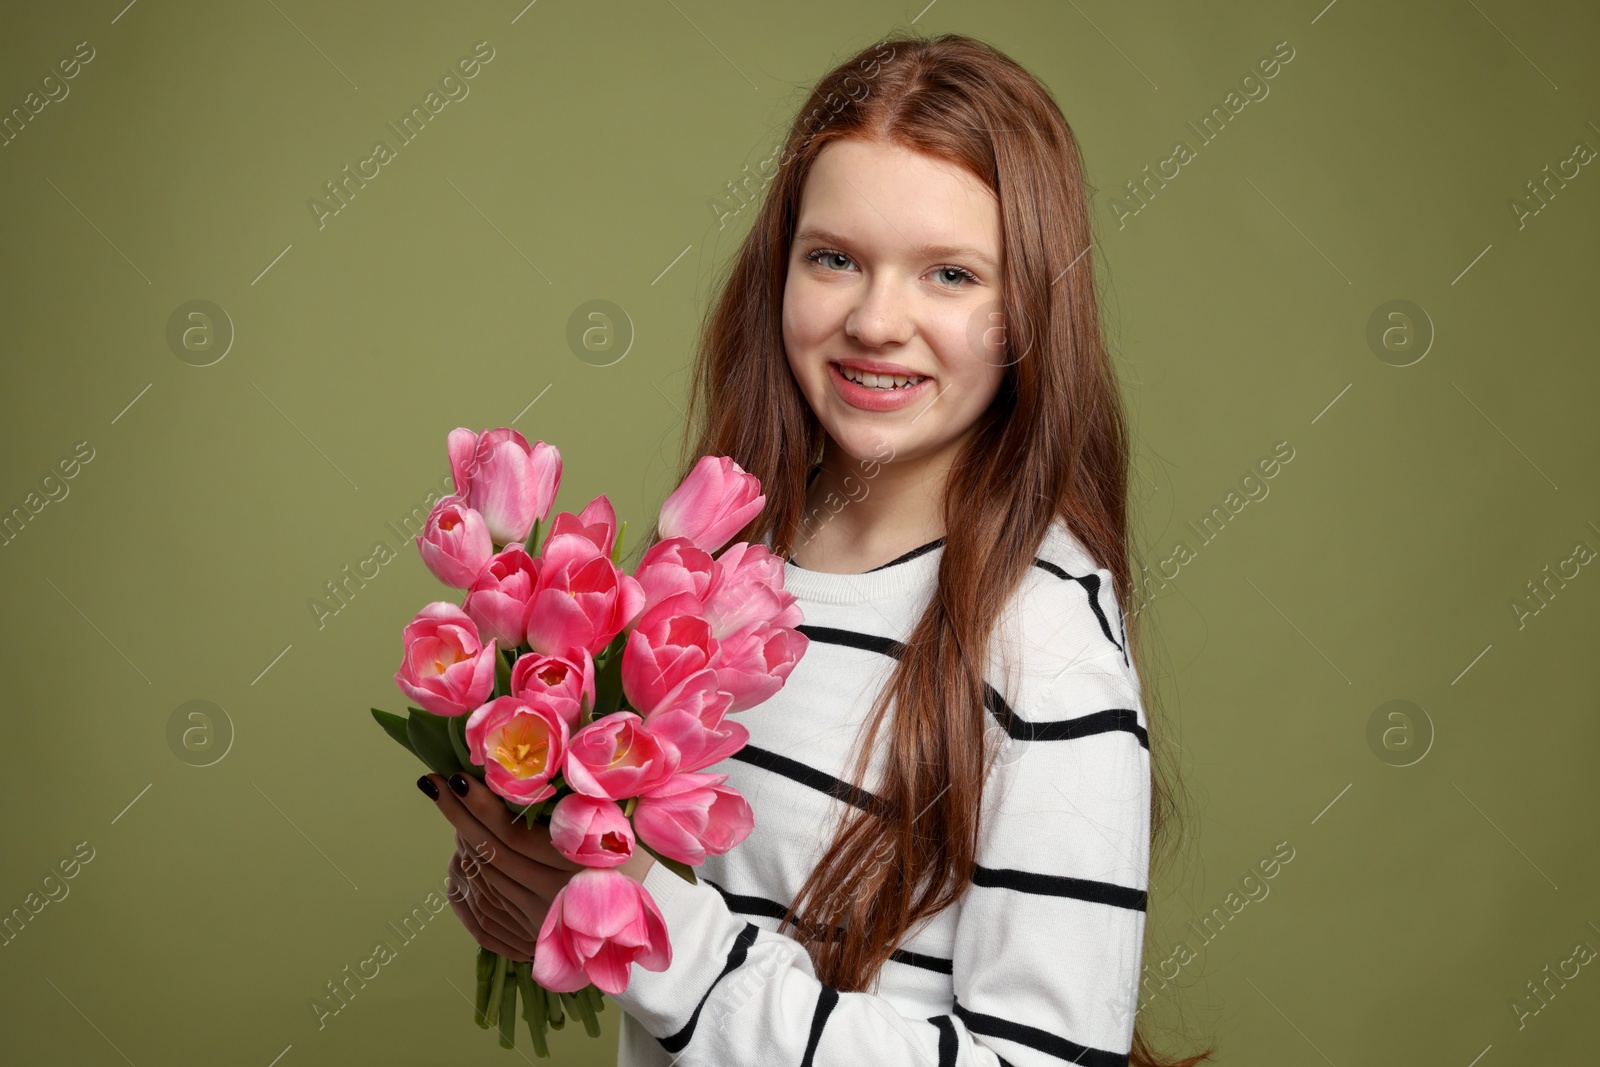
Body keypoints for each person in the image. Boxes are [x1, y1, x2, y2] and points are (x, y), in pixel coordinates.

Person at [419, 30, 1213, 1067]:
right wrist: (536, 896)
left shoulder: (1044, 640)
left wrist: (661, 941)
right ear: (777, 271)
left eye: (951, 274)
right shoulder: (727, 560)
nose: (877, 320)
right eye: (833, 258)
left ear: (1030, 307)